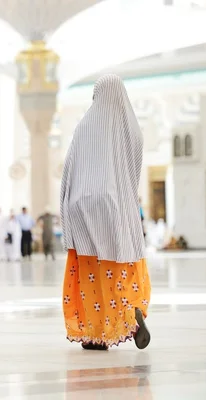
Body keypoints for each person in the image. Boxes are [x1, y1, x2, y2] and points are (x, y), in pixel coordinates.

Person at [60, 74, 151, 351]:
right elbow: (133, 174)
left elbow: (69, 168)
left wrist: (66, 207)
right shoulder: (132, 129)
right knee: (121, 261)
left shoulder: (85, 125)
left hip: (82, 203)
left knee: (90, 269)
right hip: (116, 204)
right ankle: (131, 307)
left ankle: (94, 332)